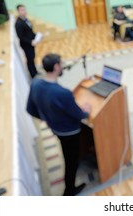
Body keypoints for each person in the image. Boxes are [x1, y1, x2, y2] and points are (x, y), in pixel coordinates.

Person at [26, 54, 91, 196]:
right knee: (70, 160)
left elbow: (30, 109)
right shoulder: (63, 93)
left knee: (69, 153)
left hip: (55, 129)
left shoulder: (35, 83)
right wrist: (86, 111)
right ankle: (69, 190)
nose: (62, 66)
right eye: (61, 64)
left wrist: (46, 118)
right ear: (56, 67)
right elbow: (79, 115)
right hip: (70, 132)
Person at [15, 4, 41, 78]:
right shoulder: (18, 23)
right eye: (22, 10)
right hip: (26, 44)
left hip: (31, 42)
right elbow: (21, 36)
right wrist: (30, 42)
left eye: (24, 9)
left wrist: (36, 36)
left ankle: (35, 71)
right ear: (18, 11)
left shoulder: (26, 20)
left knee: (32, 57)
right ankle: (33, 74)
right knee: (30, 59)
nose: (24, 11)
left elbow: (29, 31)